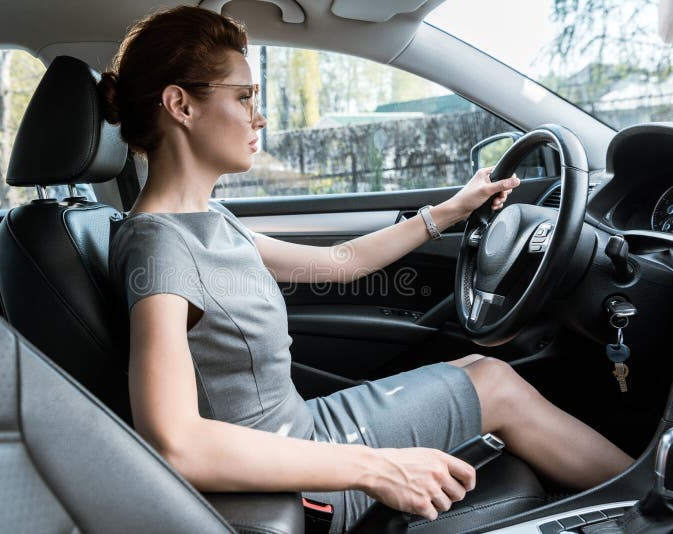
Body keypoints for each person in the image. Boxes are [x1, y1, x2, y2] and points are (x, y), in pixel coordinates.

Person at [102, 6, 634, 532]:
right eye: (243, 97)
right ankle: (652, 501)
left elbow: (339, 264)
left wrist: (450, 210)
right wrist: (378, 469)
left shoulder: (207, 220)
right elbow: (175, 443)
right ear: (180, 105)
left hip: (302, 431)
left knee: (480, 369)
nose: (258, 117)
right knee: (494, 385)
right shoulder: (160, 247)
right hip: (290, 477)